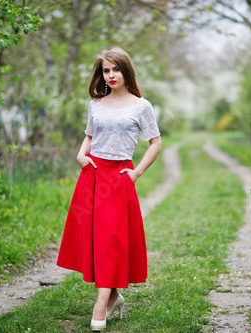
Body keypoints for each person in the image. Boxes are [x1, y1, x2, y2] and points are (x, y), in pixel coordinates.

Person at [56, 47, 162, 332]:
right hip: (92, 175)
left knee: (111, 241)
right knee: (97, 240)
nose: (111, 75)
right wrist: (81, 155)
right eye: (106, 70)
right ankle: (112, 296)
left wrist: (136, 172)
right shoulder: (96, 104)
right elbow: (90, 135)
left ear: (126, 71)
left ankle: (102, 302)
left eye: (115, 69)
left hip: (120, 179)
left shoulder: (142, 106)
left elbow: (155, 143)